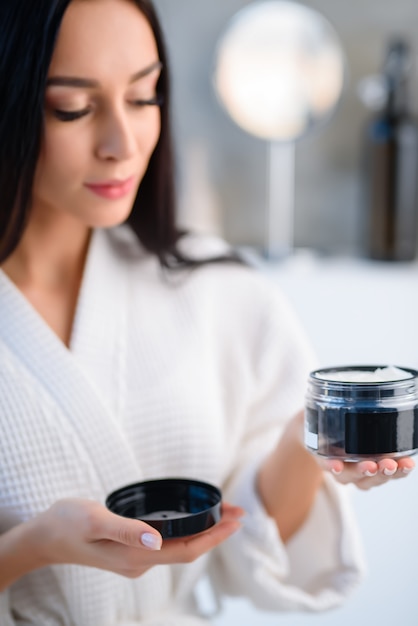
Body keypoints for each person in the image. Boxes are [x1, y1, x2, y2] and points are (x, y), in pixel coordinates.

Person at [0, 1, 415, 624]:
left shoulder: (215, 287)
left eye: (143, 97)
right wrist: (31, 549)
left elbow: (257, 540)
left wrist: (306, 440)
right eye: (73, 108)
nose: (122, 143)